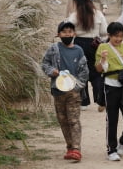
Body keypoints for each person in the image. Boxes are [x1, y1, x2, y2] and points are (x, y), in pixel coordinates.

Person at [41, 21, 89, 162]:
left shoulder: (79, 50)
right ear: (59, 34)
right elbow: (44, 63)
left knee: (73, 120)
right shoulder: (54, 49)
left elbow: (84, 71)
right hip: (58, 91)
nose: (67, 34)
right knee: (63, 120)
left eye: (70, 31)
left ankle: (76, 149)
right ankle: (69, 147)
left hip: (74, 93)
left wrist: (77, 87)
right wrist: (52, 71)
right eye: (64, 32)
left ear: (74, 34)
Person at [96, 22, 123, 161]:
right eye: (115, 36)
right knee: (112, 119)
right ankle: (111, 149)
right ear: (109, 35)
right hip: (110, 86)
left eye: (121, 36)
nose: (118, 39)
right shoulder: (103, 47)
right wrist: (102, 58)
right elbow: (99, 69)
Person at [66, 0, 108, 110]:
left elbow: (67, 30)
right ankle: (100, 98)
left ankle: (83, 102)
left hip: (78, 44)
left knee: (80, 72)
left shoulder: (74, 16)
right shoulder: (98, 14)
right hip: (94, 44)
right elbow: (104, 31)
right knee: (96, 72)